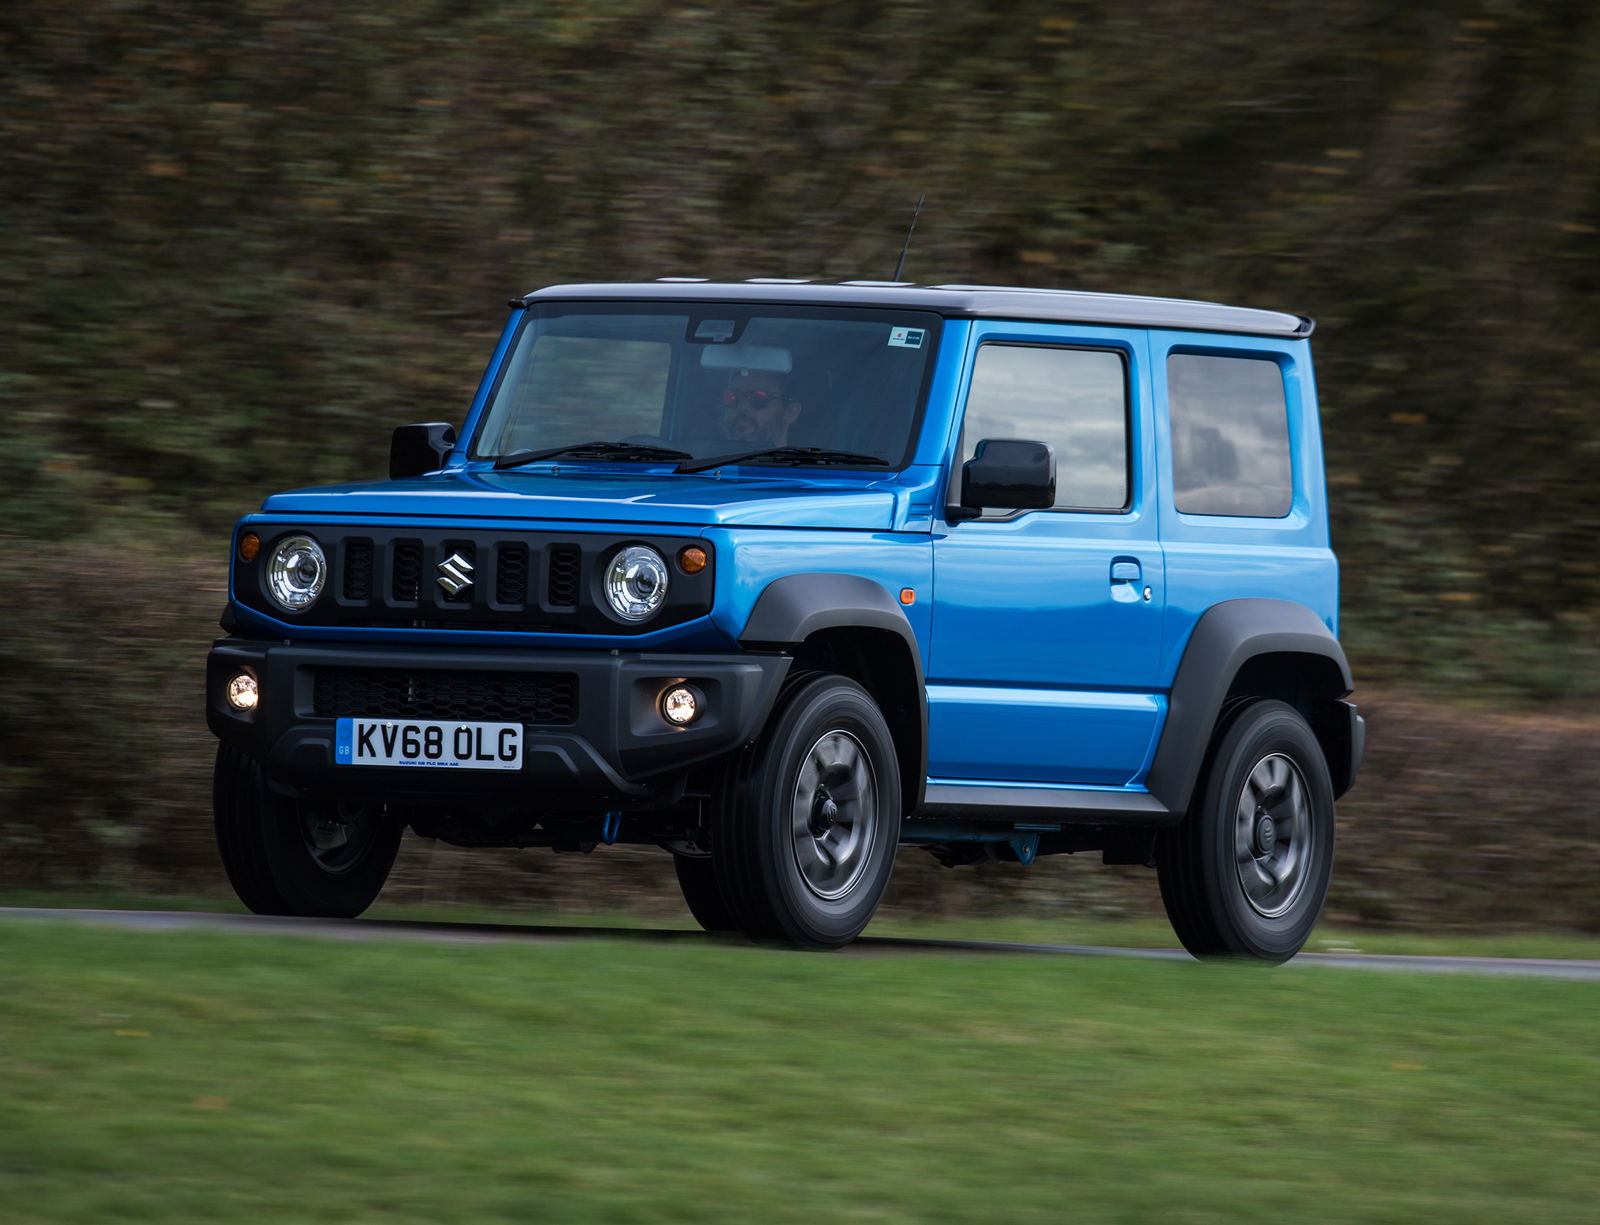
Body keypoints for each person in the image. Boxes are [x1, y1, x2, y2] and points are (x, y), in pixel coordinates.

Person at [721, 369, 802, 446]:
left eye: (758, 399)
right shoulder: (712, 455)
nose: (742, 406)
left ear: (791, 412)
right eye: (733, 397)